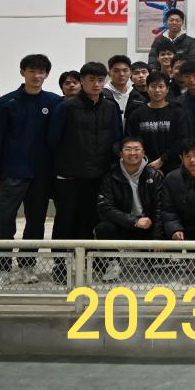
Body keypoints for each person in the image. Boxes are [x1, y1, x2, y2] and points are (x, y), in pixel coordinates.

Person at [47, 62, 122, 282]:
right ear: (82, 81)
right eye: (91, 80)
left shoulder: (110, 107)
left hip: (99, 174)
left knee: (91, 219)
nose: (96, 84)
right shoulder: (66, 107)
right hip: (69, 174)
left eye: (100, 80)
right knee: (65, 219)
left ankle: (89, 261)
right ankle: (60, 264)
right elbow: (52, 141)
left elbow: (116, 138)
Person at [93, 137, 164, 282]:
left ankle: (148, 259)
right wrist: (134, 221)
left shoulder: (154, 175)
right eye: (128, 149)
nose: (133, 153)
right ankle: (113, 263)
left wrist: (157, 238)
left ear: (143, 152)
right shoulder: (111, 176)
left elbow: (161, 207)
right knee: (103, 228)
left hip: (148, 226)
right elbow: (104, 208)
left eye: (137, 149)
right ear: (121, 153)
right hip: (124, 224)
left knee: (167, 230)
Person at [125, 71, 191, 176]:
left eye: (161, 86)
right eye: (153, 86)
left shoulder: (177, 112)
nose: (157, 90)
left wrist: (163, 159)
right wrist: (149, 163)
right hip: (144, 166)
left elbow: (182, 139)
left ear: (167, 89)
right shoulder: (137, 114)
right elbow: (132, 140)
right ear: (147, 88)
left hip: (174, 167)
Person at [105, 55, 143, 120]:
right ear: (109, 73)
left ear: (130, 73)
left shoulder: (137, 96)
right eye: (116, 71)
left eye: (125, 70)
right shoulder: (102, 94)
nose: (121, 74)